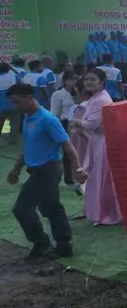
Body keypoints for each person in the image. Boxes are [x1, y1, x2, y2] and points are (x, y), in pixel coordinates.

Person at [6, 83, 86, 260]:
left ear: (29, 98)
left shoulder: (48, 119)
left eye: (17, 102)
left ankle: (42, 243)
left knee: (22, 209)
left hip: (48, 170)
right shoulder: (28, 117)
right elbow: (29, 148)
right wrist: (16, 169)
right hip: (37, 170)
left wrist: (77, 168)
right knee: (51, 207)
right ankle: (64, 246)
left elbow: (67, 144)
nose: (15, 106)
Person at [72, 68, 122, 226]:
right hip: (98, 140)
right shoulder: (96, 97)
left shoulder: (101, 99)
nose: (88, 82)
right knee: (97, 177)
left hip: (103, 141)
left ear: (102, 82)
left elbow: (90, 123)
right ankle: (99, 212)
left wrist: (77, 122)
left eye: (92, 79)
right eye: (87, 79)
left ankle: (106, 213)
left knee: (102, 178)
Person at [49, 71, 77, 186]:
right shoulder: (58, 94)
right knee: (68, 152)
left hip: (79, 123)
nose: (74, 82)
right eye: (72, 79)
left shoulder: (81, 93)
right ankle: (69, 178)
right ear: (65, 81)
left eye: (77, 79)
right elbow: (54, 113)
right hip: (64, 124)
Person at [0, 61, 18, 142]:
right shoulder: (15, 76)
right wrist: (12, 69)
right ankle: (12, 139)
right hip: (13, 103)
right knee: (14, 122)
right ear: (9, 68)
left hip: (1, 105)